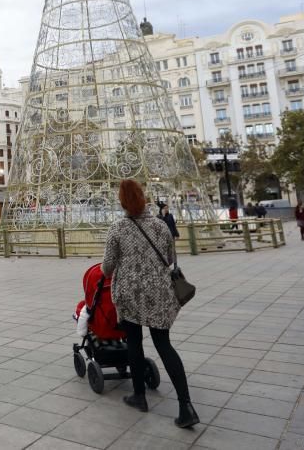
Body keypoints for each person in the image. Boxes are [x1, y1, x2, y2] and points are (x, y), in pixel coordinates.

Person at [103, 179, 198, 428]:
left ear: (122, 202)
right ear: (144, 199)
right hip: (159, 294)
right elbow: (170, 259)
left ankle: (139, 396)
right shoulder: (160, 226)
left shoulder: (118, 228)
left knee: (134, 342)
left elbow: (107, 268)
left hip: (130, 294)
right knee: (164, 344)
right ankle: (186, 406)